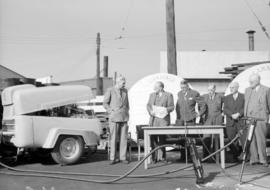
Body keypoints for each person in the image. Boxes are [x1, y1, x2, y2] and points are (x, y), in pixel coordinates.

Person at [244, 74, 270, 167]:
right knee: (251, 139)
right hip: (250, 119)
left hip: (261, 119)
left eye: (252, 82)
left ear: (258, 80)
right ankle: (253, 159)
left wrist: (267, 118)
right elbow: (246, 105)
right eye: (250, 81)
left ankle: (263, 159)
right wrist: (246, 117)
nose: (250, 83)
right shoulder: (247, 90)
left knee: (261, 140)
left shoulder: (266, 90)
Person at [103, 76, 130, 165]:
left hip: (124, 117)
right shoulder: (110, 90)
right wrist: (111, 111)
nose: (124, 85)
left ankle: (123, 158)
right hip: (114, 118)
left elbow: (127, 104)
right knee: (113, 138)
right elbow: (105, 103)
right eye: (123, 83)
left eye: (124, 83)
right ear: (117, 82)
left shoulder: (125, 91)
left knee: (123, 138)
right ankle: (113, 158)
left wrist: (127, 111)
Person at [146, 81, 174, 163]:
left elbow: (172, 107)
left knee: (162, 139)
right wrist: (150, 111)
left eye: (156, 88)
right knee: (153, 139)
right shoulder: (152, 95)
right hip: (154, 120)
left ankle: (162, 157)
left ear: (161, 87)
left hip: (163, 120)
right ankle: (154, 158)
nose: (154, 89)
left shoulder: (168, 95)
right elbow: (148, 105)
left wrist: (164, 110)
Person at [223, 82, 245, 161]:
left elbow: (245, 107)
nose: (231, 89)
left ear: (237, 88)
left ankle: (245, 156)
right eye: (230, 88)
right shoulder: (227, 97)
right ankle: (234, 156)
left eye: (233, 87)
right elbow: (225, 109)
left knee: (243, 139)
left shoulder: (243, 96)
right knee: (231, 140)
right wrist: (232, 115)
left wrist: (239, 114)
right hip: (230, 122)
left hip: (240, 122)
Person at [201, 84, 223, 159]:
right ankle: (206, 156)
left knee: (216, 138)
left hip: (217, 118)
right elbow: (201, 107)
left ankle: (216, 156)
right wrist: (202, 115)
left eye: (211, 90)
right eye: (209, 90)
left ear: (214, 89)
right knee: (206, 137)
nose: (210, 91)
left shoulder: (220, 96)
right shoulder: (204, 96)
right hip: (207, 119)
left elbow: (223, 107)